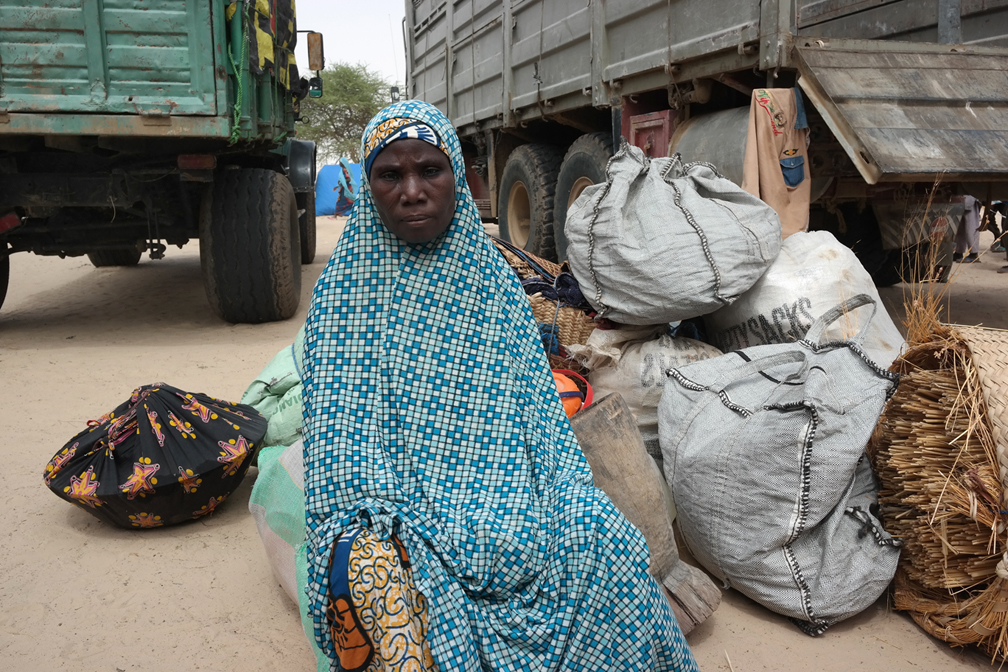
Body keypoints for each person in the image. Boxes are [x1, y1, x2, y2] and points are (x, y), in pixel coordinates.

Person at [301, 100, 699, 672]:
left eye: (429, 170)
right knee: (370, 573)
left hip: (511, 502)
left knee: (602, 534)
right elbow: (342, 458)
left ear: (457, 181)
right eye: (390, 174)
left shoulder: (491, 286)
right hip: (403, 511)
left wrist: (556, 498)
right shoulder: (344, 300)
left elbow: (542, 422)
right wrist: (399, 522)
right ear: (369, 187)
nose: (412, 190)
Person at [953, 194, 982, 263]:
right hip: (959, 199)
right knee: (960, 229)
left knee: (971, 228)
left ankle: (973, 254)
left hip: (970, 197)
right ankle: (958, 252)